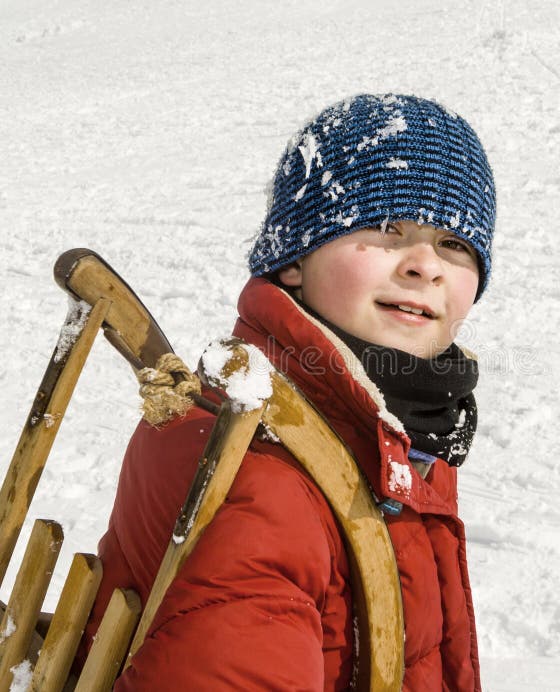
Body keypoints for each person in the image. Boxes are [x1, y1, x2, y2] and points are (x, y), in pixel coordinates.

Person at [80, 93, 496, 690]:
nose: (425, 265)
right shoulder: (263, 466)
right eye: (386, 227)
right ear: (294, 258)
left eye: (454, 245)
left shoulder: (369, 431)